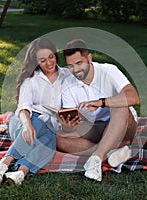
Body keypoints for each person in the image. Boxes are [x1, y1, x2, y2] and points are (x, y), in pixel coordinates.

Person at [0, 38, 70, 185]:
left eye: (51, 57)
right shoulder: (31, 79)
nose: (49, 63)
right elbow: (24, 108)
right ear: (36, 61)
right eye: (43, 60)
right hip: (23, 120)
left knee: (49, 140)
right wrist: (27, 125)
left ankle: (20, 173)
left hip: (49, 124)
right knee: (37, 126)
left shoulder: (66, 76)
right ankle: (5, 162)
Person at [56, 39, 140, 182]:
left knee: (120, 107)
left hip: (123, 125)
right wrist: (68, 125)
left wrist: (102, 103)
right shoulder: (67, 83)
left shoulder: (109, 70)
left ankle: (97, 157)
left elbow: (134, 97)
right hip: (94, 128)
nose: (75, 70)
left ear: (89, 58)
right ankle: (110, 153)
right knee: (58, 139)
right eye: (70, 66)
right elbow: (72, 122)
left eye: (79, 63)